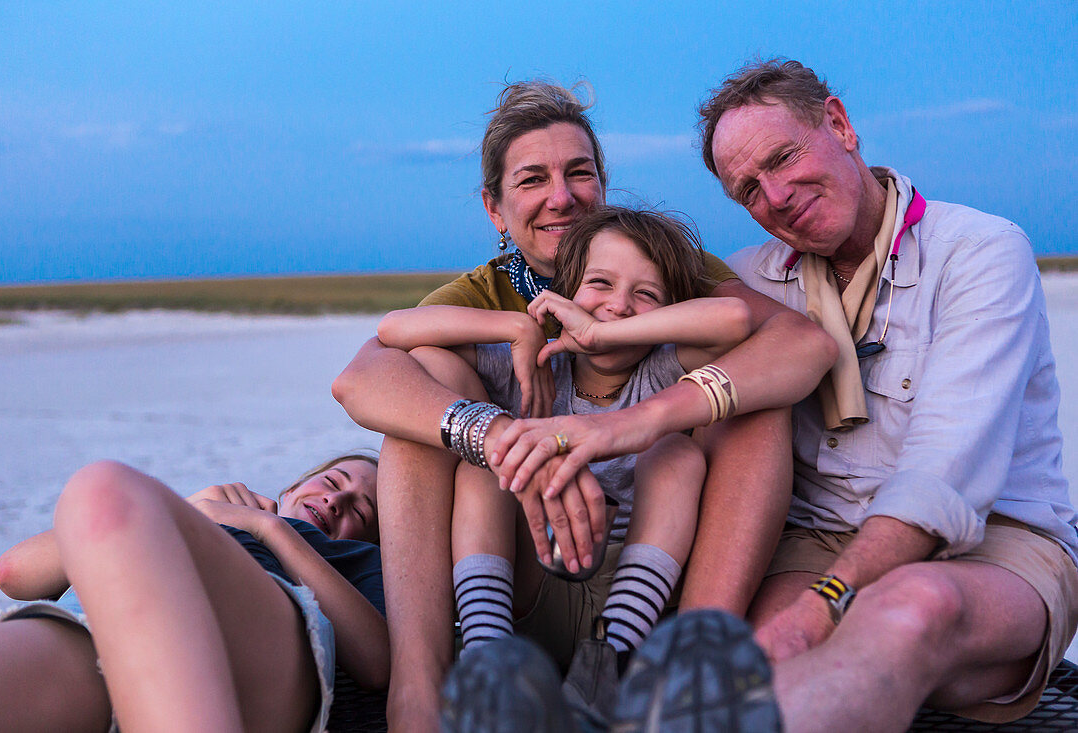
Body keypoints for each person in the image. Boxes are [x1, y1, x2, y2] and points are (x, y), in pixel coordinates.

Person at [332, 79, 836, 732]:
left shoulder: (653, 261)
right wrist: (507, 437)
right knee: (425, 398)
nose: (562, 197)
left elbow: (793, 342)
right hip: (528, 567)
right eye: (533, 179)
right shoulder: (484, 295)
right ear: (495, 207)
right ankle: (421, 692)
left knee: (750, 398)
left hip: (653, 559)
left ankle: (686, 672)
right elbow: (364, 376)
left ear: (602, 182)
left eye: (580, 173)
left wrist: (631, 421)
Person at [599, 58, 1078, 732]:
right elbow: (626, 336)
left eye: (783, 157)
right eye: (749, 189)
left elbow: (946, 474)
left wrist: (828, 600)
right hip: (817, 540)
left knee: (911, 610)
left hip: (991, 545)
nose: (776, 195)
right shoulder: (750, 283)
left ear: (839, 124)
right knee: (750, 661)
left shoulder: (978, 252)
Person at [379, 206, 750, 667]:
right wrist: (516, 326)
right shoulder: (535, 368)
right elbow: (395, 329)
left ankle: (610, 660)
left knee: (675, 453)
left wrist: (601, 330)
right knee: (483, 470)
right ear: (565, 292)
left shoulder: (664, 369)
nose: (618, 305)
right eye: (599, 284)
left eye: (646, 294)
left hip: (643, 592)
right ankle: (488, 658)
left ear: (669, 313)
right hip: (536, 582)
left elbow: (735, 318)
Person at [0, 453, 388, 732]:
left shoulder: (357, 559)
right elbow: (13, 573)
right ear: (296, 484)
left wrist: (271, 529)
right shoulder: (204, 510)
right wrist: (187, 509)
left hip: (251, 646)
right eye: (333, 481)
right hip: (95, 633)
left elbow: (375, 660)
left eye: (359, 511)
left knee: (103, 486)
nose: (336, 500)